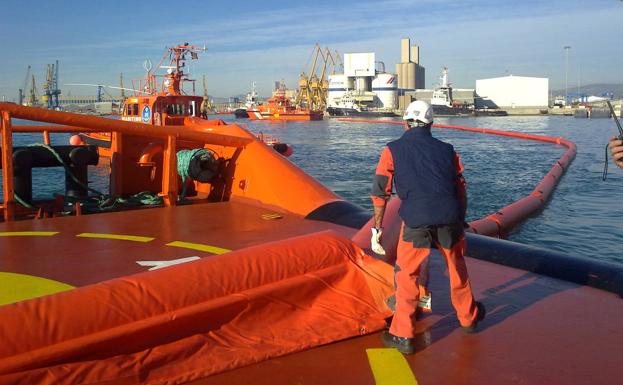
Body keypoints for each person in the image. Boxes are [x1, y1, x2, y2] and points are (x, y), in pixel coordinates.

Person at [370, 100, 485, 354]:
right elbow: (461, 190)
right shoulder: (448, 150)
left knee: (407, 274)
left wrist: (377, 228)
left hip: (415, 222)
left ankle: (403, 335)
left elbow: (381, 193)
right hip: (449, 219)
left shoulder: (392, 150)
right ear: (432, 123)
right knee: (457, 269)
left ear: (405, 122)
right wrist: (460, 218)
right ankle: (468, 319)